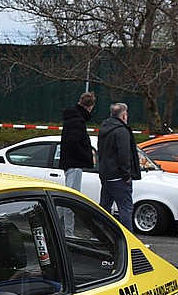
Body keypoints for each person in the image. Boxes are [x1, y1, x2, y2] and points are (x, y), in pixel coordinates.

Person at [97, 102, 140, 230]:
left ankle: (101, 234)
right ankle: (128, 237)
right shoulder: (121, 131)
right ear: (124, 115)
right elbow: (124, 154)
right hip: (119, 177)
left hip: (106, 175)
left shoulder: (104, 129)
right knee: (125, 208)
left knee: (104, 208)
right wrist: (127, 175)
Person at [59, 91, 96, 191]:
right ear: (90, 107)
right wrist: (86, 155)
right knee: (73, 193)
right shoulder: (78, 121)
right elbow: (73, 143)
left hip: (70, 162)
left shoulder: (71, 118)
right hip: (74, 164)